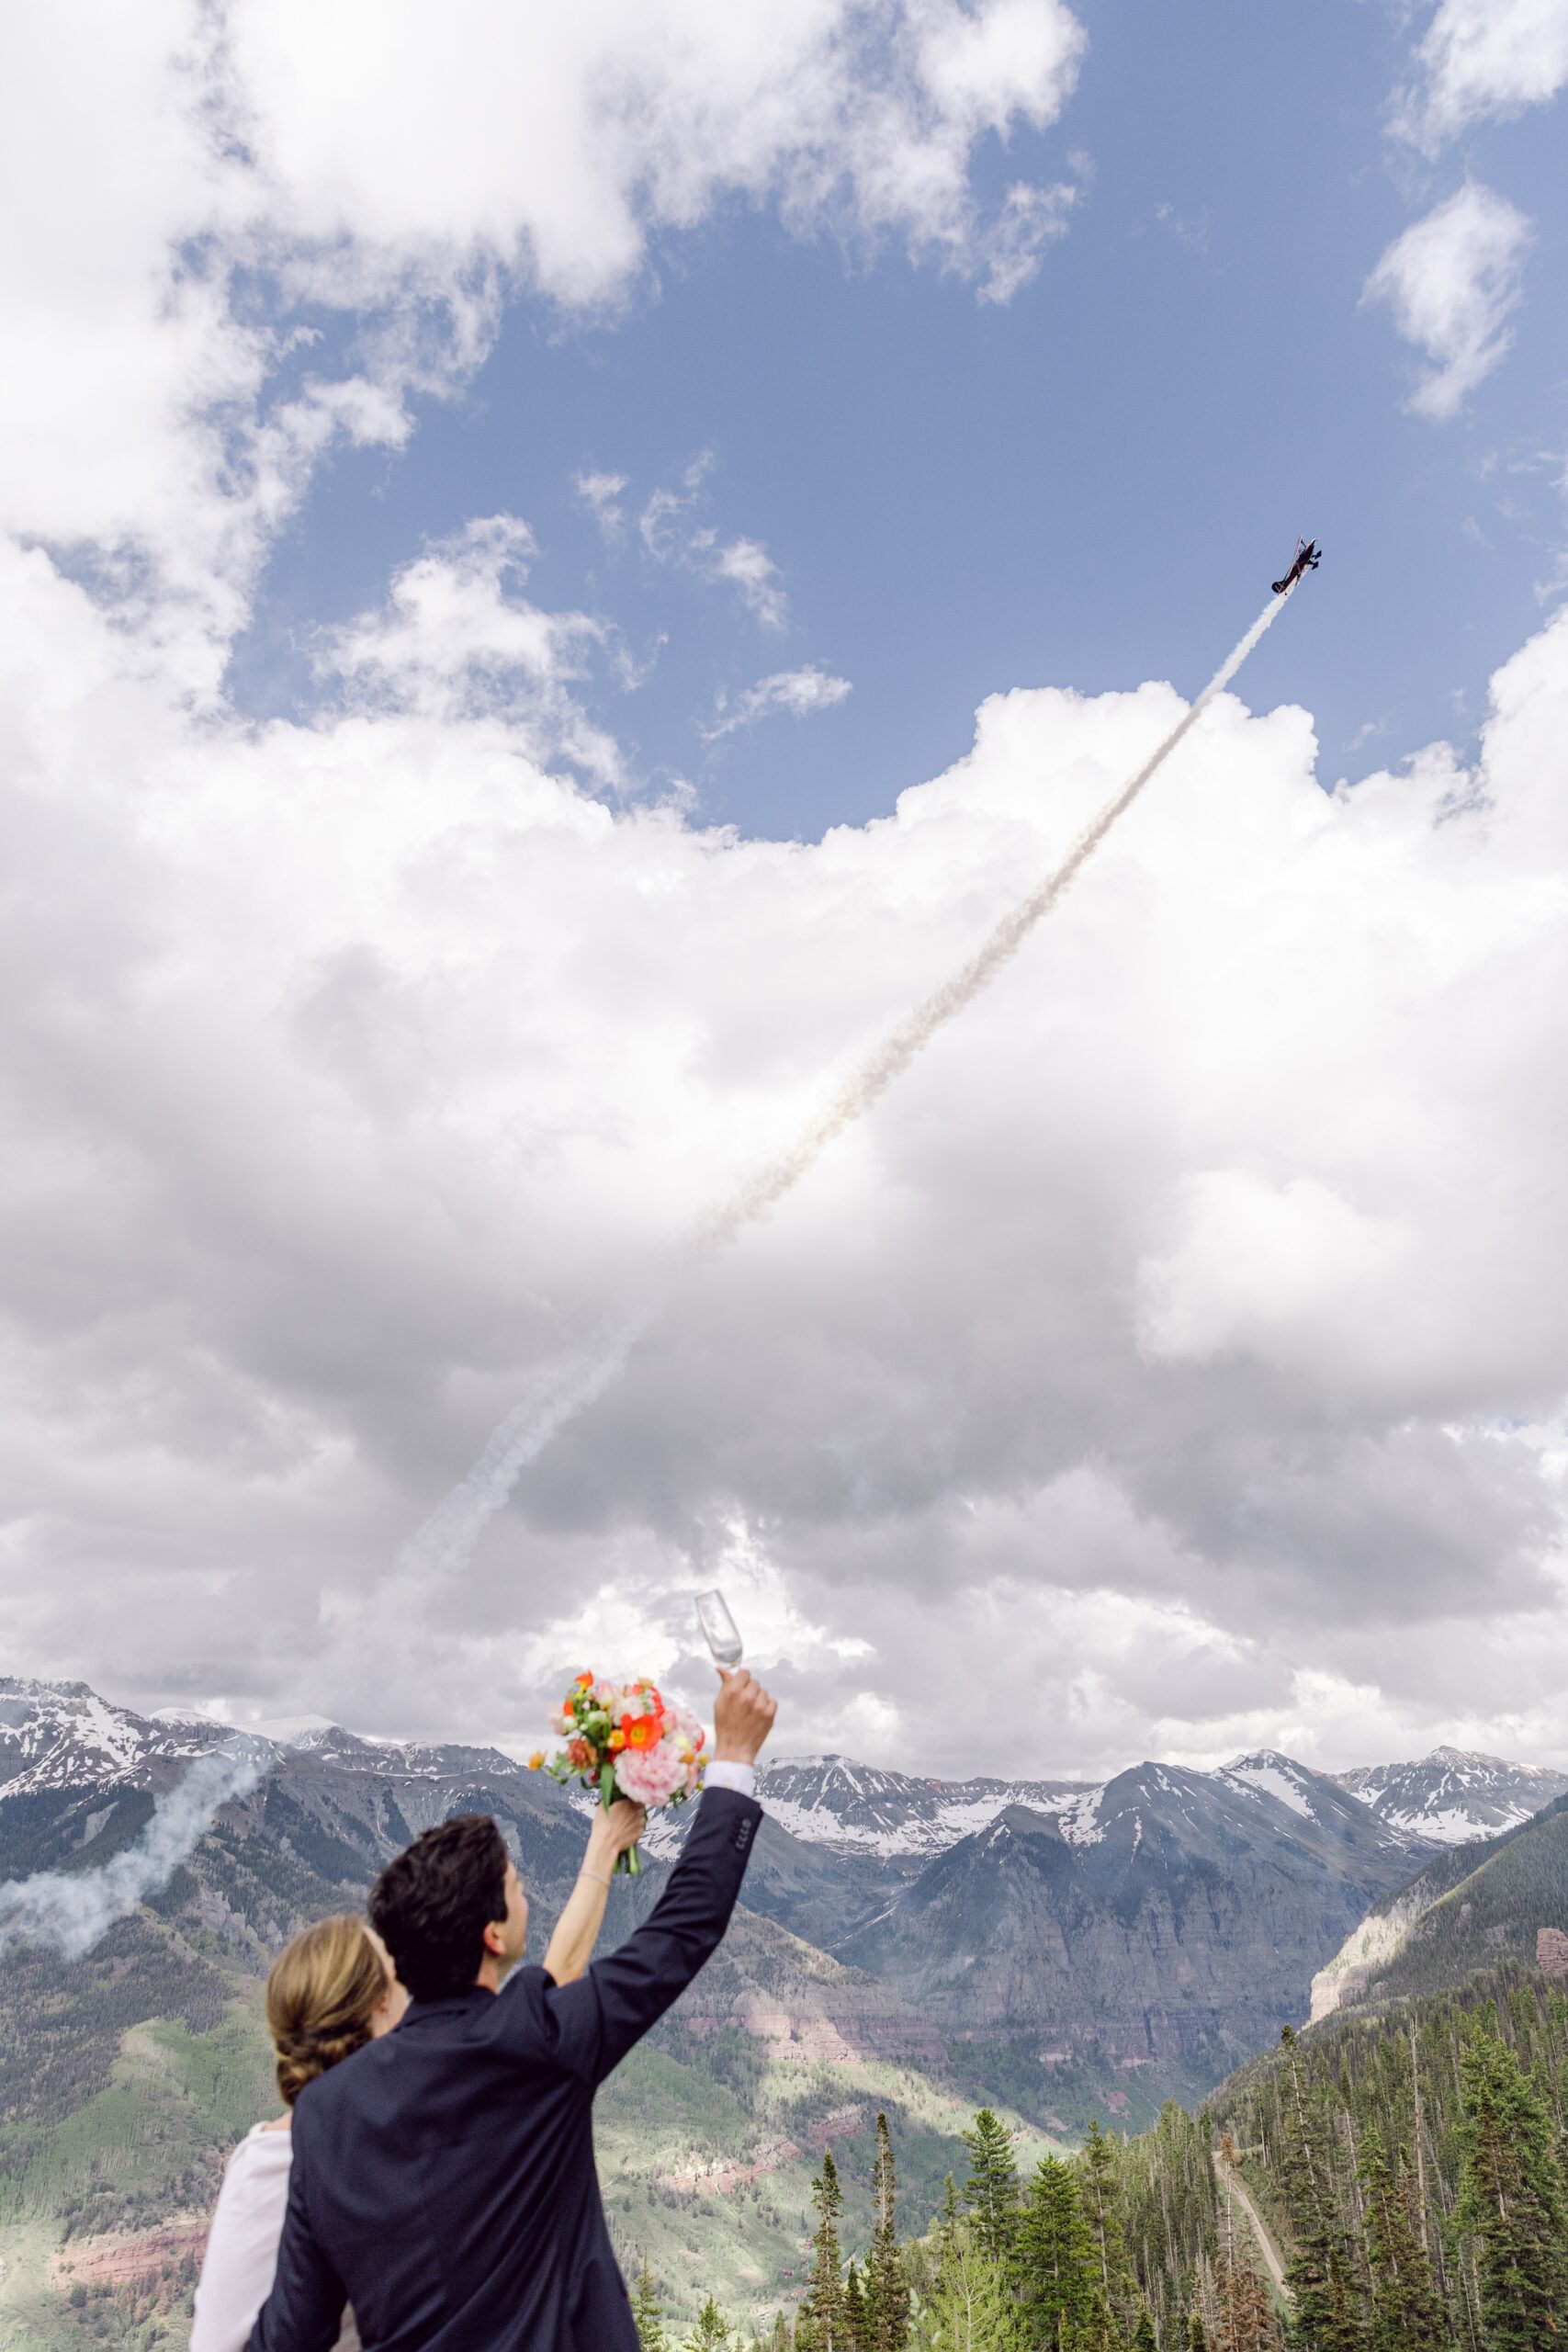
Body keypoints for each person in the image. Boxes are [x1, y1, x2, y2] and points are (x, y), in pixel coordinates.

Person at [246, 1666, 776, 2352]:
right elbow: (680, 1931)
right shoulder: (541, 2041)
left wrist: (603, 1849)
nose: (526, 1897)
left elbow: (289, 2334)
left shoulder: (324, 2116)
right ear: (493, 1936)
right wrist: (733, 1759)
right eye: (518, 1887)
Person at [195, 1796, 646, 2352]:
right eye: (395, 1968)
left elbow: (554, 1983)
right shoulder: (289, 2163)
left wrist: (601, 1853)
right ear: (378, 2007)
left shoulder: (330, 2130)